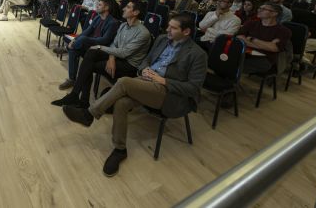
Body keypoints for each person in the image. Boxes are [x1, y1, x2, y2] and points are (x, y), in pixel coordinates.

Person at [61, 13, 207, 177]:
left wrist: (163, 81)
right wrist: (144, 69)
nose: (168, 30)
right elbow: (147, 60)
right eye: (169, 26)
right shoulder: (162, 39)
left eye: (173, 28)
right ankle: (120, 149)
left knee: (123, 82)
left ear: (186, 32)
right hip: (146, 80)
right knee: (121, 103)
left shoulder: (197, 54)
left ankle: (89, 114)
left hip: (169, 92)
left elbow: (193, 88)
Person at [51, 0, 152, 108]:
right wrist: (111, 57)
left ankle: (79, 99)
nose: (123, 8)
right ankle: (77, 97)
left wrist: (101, 47)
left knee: (88, 63)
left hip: (128, 65)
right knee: (90, 53)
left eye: (128, 7)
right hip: (117, 56)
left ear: (136, 13)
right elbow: (114, 44)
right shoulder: (123, 25)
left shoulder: (143, 33)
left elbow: (124, 53)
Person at [58, 0, 119, 90]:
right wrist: (74, 39)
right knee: (73, 50)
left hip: (101, 48)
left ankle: (67, 48)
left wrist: (85, 40)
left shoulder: (113, 22)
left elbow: (105, 40)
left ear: (107, 8)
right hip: (90, 44)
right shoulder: (98, 17)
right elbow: (87, 31)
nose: (97, 6)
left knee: (82, 40)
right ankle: (72, 79)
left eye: (99, 5)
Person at [236, 2, 291, 76]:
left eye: (263, 9)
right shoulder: (251, 23)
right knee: (225, 58)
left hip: (265, 59)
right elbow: (239, 37)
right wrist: (265, 45)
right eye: (259, 8)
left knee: (235, 65)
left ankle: (229, 84)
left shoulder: (283, 31)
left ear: (274, 13)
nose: (259, 10)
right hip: (245, 53)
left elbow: (274, 48)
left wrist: (252, 39)